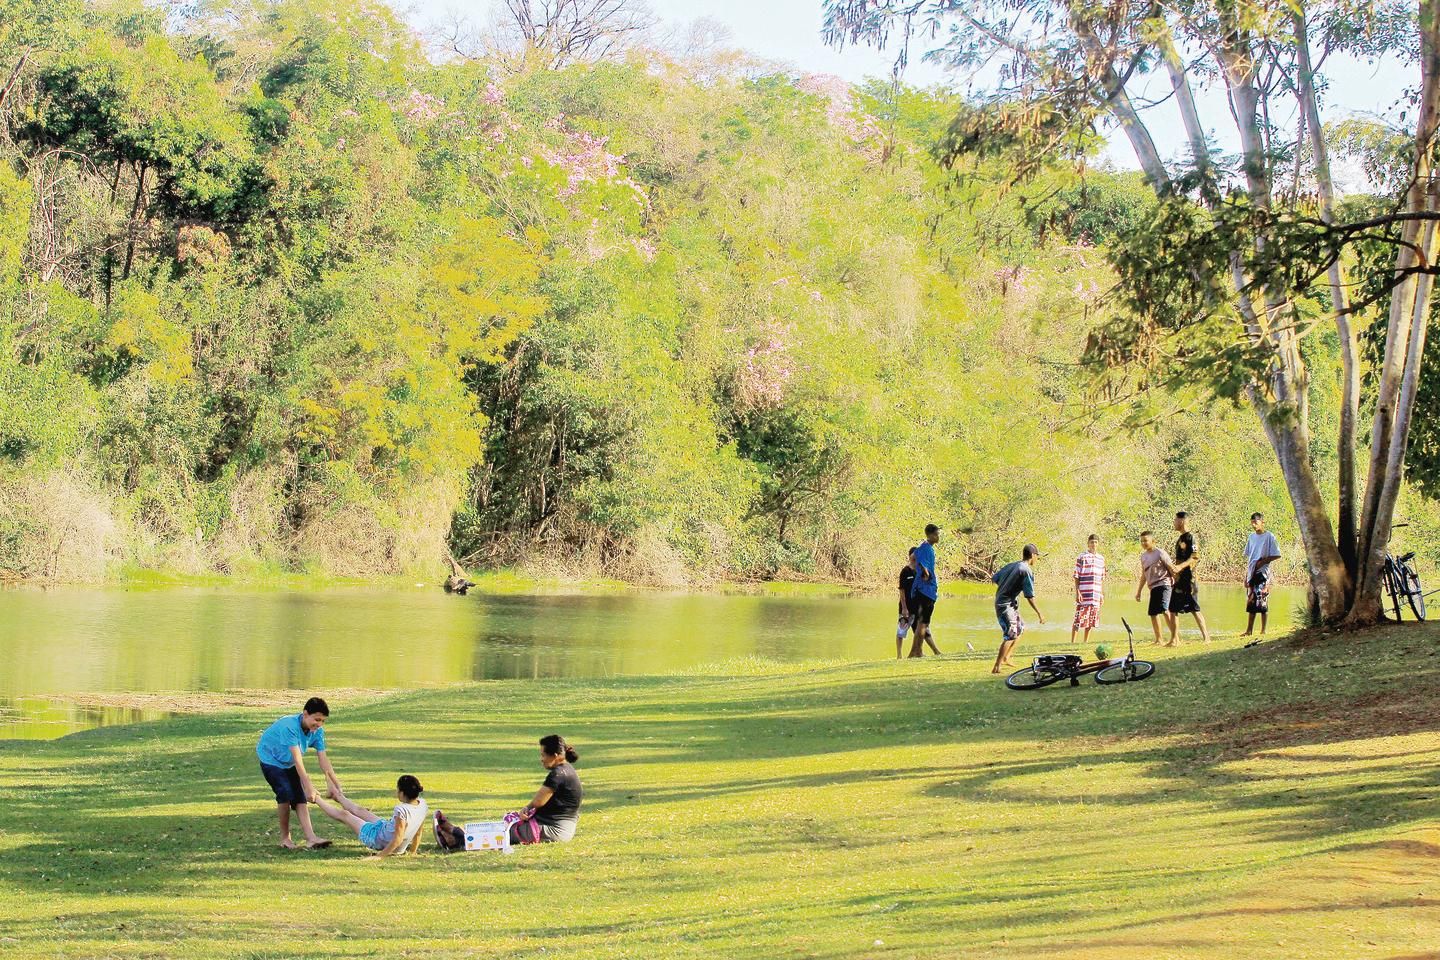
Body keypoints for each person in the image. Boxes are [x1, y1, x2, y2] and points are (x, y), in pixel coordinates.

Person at [255, 697, 337, 849]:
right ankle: (285, 839)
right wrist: (310, 787)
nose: (319, 724)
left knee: (299, 796)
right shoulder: (290, 727)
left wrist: (333, 783)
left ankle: (311, 838)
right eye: (316, 719)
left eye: (323, 721)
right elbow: (298, 760)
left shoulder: (317, 731)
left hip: (288, 761)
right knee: (285, 793)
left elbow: (323, 758)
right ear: (305, 713)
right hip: (271, 759)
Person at [309, 774, 429, 858]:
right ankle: (337, 795)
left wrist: (379, 856)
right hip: (384, 830)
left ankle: (315, 798)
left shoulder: (401, 810)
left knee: (345, 815)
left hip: (376, 838)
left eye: (397, 790)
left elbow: (397, 839)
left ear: (402, 793)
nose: (396, 792)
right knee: (360, 810)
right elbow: (418, 832)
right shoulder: (422, 805)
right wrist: (412, 851)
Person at [510, 735, 583, 845]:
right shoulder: (568, 770)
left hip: (554, 830)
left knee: (503, 832)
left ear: (554, 756)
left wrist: (526, 809)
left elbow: (538, 802)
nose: (541, 759)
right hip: (564, 829)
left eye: (543, 755)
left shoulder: (557, 774)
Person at [991, 544, 1045, 674]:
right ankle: (997, 667)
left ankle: (1006, 657)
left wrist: (1009, 587)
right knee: (1010, 635)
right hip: (1005, 605)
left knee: (1020, 628)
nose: (1037, 559)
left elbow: (995, 579)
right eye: (1037, 556)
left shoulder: (1013, 565)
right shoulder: (1026, 570)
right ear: (1033, 555)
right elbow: (1030, 596)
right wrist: (1040, 613)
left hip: (1007, 602)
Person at [1170, 512, 1212, 642]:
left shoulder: (1191, 538)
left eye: (1175, 520)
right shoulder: (1179, 539)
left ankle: (1206, 637)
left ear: (1182, 521)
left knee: (1194, 608)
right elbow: (1177, 560)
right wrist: (1175, 574)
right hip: (1179, 580)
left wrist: (1181, 567)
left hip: (1189, 580)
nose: (1174, 522)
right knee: (1173, 608)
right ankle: (1175, 639)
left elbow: (1194, 557)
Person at [1133, 531, 1180, 646]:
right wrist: (1138, 591)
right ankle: (1159, 639)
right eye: (1142, 541)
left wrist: (1179, 584)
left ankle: (1175, 638)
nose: (1143, 543)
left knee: (1165, 610)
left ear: (1153, 541)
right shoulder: (1143, 556)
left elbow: (1171, 568)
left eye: (1146, 540)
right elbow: (1144, 575)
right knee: (1153, 613)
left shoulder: (1160, 553)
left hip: (1165, 584)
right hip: (1153, 587)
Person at [1242, 512, 1282, 637]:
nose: (1254, 525)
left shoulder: (1269, 536)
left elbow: (1277, 554)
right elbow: (1249, 557)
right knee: (1251, 601)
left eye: (1256, 522)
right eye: (1252, 523)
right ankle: (1249, 630)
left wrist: (1263, 561)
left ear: (1262, 522)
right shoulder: (1251, 537)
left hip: (1262, 572)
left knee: (1262, 600)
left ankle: (1263, 630)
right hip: (1252, 571)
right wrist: (1246, 576)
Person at [908, 525, 942, 657]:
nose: (938, 537)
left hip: (920, 590)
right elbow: (922, 565)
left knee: (921, 623)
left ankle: (915, 651)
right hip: (926, 591)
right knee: (923, 623)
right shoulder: (927, 549)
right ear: (931, 535)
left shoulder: (921, 548)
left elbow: (916, 558)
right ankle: (915, 652)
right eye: (937, 534)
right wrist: (925, 574)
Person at [1070, 534, 1105, 646]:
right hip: (1084, 593)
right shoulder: (1082, 557)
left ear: (1098, 544)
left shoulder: (1101, 559)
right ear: (1088, 543)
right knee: (1078, 619)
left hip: (1095, 594)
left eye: (1095, 542)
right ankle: (1072, 643)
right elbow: (1076, 575)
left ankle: (1085, 643)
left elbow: (1101, 578)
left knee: (1091, 620)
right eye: (1091, 542)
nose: (1093, 544)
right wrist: (1078, 591)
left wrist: (1101, 594)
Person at [896, 548, 916, 659]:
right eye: (912, 556)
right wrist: (904, 608)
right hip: (906, 607)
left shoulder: (920, 570)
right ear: (909, 556)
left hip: (917, 607)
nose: (914, 558)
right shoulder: (905, 571)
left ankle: (916, 653)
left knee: (919, 632)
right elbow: (901, 590)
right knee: (901, 631)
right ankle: (899, 655)